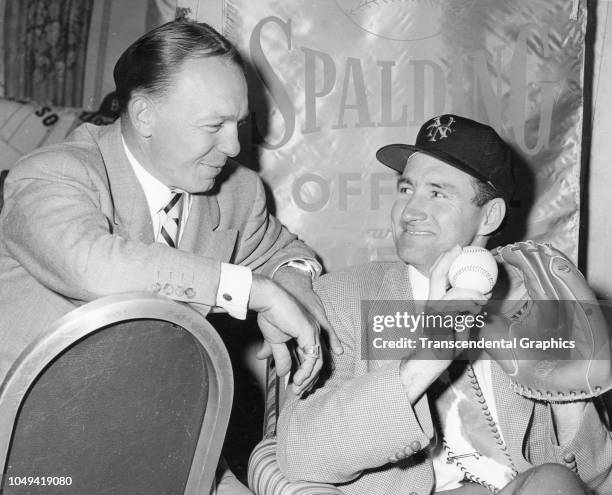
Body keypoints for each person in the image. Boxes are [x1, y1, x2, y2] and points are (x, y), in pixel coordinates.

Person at [0, 20, 341, 493]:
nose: (234, 146)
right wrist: (253, 291)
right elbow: (90, 263)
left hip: (159, 441)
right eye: (213, 125)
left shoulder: (238, 192)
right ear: (144, 116)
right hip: (29, 453)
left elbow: (287, 251)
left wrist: (293, 288)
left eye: (238, 123)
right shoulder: (50, 176)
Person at [276, 115, 612, 494]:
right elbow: (297, 452)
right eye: (406, 189)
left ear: (490, 215)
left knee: (551, 482)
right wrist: (428, 357)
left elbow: (593, 477)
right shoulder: (341, 297)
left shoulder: (527, 298)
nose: (410, 210)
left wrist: (572, 398)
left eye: (437, 193)